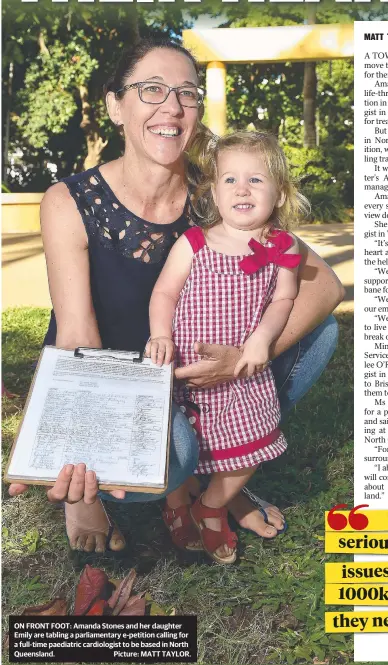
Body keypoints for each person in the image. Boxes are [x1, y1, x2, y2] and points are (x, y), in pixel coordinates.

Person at [8, 37, 344, 555]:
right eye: (152, 89)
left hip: (206, 376)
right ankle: (184, 481)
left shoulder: (220, 194)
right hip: (123, 383)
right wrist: (82, 467)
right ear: (115, 106)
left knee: (321, 331)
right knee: (177, 455)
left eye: (186, 93)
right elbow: (77, 335)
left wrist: (243, 360)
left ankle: (224, 484)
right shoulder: (69, 200)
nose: (172, 106)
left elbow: (325, 284)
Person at [146, 131, 308, 564]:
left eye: (256, 180)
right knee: (179, 439)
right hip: (186, 371)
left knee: (253, 440)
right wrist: (160, 334)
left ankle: (213, 504)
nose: (242, 188)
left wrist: (261, 338)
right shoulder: (194, 243)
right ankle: (178, 500)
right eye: (230, 180)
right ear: (213, 192)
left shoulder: (283, 246)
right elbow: (164, 293)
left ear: (279, 192)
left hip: (242, 373)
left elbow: (284, 299)